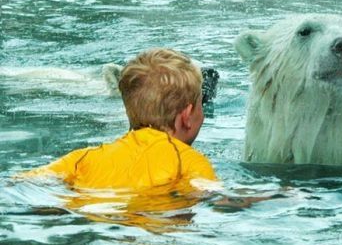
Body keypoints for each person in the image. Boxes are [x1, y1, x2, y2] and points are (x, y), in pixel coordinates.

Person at [23, 48, 218, 229]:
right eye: (201, 103)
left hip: (87, 216)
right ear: (187, 117)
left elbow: (22, 184)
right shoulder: (189, 161)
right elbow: (214, 198)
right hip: (154, 227)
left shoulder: (83, 157)